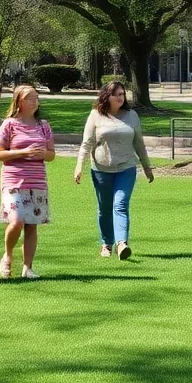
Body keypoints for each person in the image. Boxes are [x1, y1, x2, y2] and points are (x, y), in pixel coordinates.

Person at [74, 80, 154, 259]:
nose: (120, 97)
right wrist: (79, 166)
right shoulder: (96, 115)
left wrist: (147, 167)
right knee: (105, 208)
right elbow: (87, 143)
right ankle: (106, 243)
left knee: (120, 205)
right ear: (107, 96)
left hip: (126, 168)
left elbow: (139, 144)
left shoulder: (132, 115)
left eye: (122, 94)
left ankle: (121, 243)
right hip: (101, 170)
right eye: (116, 94)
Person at [0, 85, 55, 280]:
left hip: (37, 181)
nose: (35, 101)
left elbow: (51, 154)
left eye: (36, 97)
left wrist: (42, 154)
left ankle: (27, 268)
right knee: (17, 220)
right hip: (13, 180)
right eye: (30, 98)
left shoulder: (43, 125)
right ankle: (7, 255)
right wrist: (23, 152)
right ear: (19, 101)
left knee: (31, 225)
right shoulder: (9, 125)